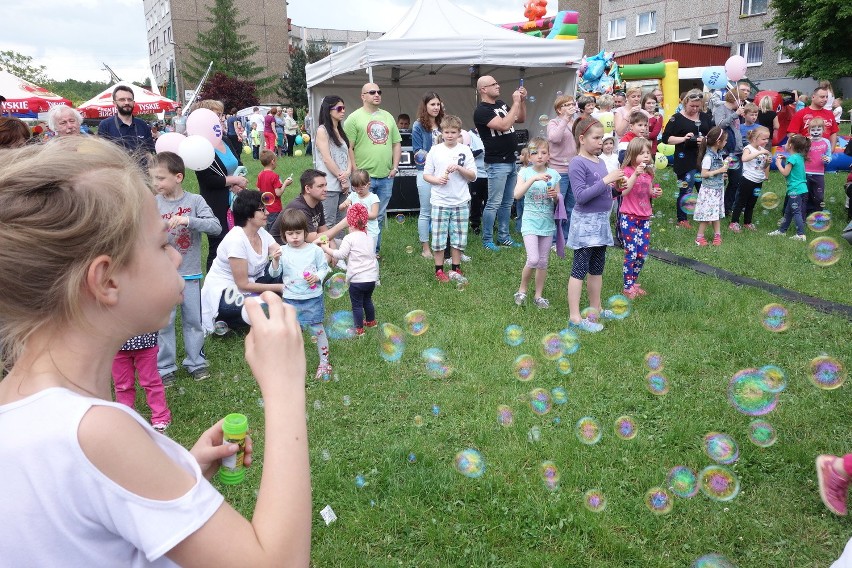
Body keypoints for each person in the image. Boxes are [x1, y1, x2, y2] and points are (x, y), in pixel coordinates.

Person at [0, 137, 311, 565]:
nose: (174, 254)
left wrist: (180, 466)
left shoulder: (22, 404)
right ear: (107, 281)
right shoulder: (98, 433)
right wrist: (285, 390)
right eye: (163, 243)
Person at [152, 151, 221, 385]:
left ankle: (196, 362)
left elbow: (215, 227)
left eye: (161, 178)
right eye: (154, 179)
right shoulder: (153, 204)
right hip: (163, 277)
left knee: (193, 320)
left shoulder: (195, 202)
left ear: (178, 177)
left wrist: (189, 221)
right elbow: (142, 236)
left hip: (190, 274)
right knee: (165, 323)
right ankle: (165, 367)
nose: (156, 183)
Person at [567, 117, 625, 332]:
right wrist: (606, 180)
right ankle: (574, 317)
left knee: (597, 268)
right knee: (579, 268)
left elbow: (605, 193)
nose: (601, 142)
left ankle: (595, 309)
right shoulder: (577, 163)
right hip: (585, 224)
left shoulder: (600, 162)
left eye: (603, 137)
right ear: (582, 139)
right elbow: (581, 196)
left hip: (600, 221)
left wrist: (617, 188)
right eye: (597, 138)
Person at [200, 189, 284, 333]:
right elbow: (243, 285)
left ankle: (264, 307)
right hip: (227, 293)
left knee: (285, 271)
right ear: (248, 214)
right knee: (257, 307)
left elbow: (283, 253)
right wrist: (281, 287)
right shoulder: (236, 240)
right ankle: (252, 313)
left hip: (253, 284)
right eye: (262, 210)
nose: (267, 213)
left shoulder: (261, 232)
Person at [271, 208, 332, 379]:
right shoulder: (282, 252)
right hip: (291, 300)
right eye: (290, 234)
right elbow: (275, 274)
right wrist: (275, 261)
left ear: (306, 232)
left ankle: (324, 363)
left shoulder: (315, 250)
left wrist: (317, 277)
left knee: (318, 330)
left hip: (312, 298)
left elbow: (324, 268)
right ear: (284, 235)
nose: (295, 237)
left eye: (298, 233)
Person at [343, 83, 402, 254]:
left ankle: (373, 251)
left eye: (379, 92)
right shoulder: (354, 118)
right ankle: (357, 250)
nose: (377, 94)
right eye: (372, 92)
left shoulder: (388, 116)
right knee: (358, 216)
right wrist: (355, 171)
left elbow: (396, 143)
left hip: (385, 176)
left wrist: (395, 167)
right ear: (363, 96)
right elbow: (349, 147)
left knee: (379, 216)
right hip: (363, 179)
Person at [192, 99, 247, 271]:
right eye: (217, 115)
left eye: (221, 114)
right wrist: (233, 181)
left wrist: (239, 180)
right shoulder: (200, 147)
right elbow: (208, 180)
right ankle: (213, 288)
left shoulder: (225, 140)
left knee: (238, 242)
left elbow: (238, 163)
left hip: (235, 198)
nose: (222, 118)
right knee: (219, 245)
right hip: (216, 202)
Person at [474, 75, 527, 251]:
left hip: (511, 160)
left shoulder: (501, 104)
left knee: (507, 202)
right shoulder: (481, 111)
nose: (498, 86)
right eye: (493, 84)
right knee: (493, 203)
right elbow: (504, 125)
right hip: (497, 162)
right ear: (483, 89)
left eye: (498, 82)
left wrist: (522, 101)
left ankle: (504, 237)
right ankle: (487, 239)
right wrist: (515, 102)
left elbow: (519, 119)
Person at [422, 114, 476, 282]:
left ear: (459, 133)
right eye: (447, 132)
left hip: (460, 200)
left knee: (458, 236)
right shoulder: (435, 150)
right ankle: (439, 270)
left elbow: (473, 176)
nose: (450, 135)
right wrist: (437, 180)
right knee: (438, 237)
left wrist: (460, 168)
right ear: (441, 132)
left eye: (453, 132)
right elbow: (426, 175)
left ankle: (456, 267)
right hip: (440, 201)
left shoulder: (465, 150)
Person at [512, 137, 559, 309]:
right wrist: (533, 179)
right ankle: (522, 290)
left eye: (543, 153)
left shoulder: (554, 174)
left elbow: (558, 201)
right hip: (530, 222)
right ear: (528, 156)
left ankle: (538, 296)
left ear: (548, 156)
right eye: (535, 153)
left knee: (543, 261)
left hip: (547, 223)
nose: (539, 156)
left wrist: (555, 197)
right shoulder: (524, 173)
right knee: (533, 259)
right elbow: (517, 195)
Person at [320, 204, 378, 337]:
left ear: (349, 223)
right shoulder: (369, 237)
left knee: (357, 305)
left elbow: (341, 255)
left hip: (357, 280)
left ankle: (359, 329)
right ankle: (371, 321)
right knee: (368, 300)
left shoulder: (349, 238)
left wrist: (326, 248)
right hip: (370, 279)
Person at [662, 89, 713, 228]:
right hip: (685, 160)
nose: (695, 109)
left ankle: (705, 215)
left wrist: (705, 140)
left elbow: (714, 134)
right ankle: (682, 219)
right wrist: (684, 139)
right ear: (685, 102)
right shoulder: (676, 118)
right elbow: (666, 138)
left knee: (705, 188)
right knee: (686, 189)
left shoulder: (705, 117)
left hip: (703, 159)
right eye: (692, 106)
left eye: (698, 106)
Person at [619, 138, 660, 298]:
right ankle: (627, 286)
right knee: (631, 253)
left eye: (648, 153)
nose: (646, 156)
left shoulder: (649, 173)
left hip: (644, 218)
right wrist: (635, 174)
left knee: (642, 254)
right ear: (633, 153)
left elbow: (648, 192)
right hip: (629, 217)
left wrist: (654, 193)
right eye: (642, 153)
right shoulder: (627, 171)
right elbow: (624, 191)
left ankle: (633, 281)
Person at [274, 169, 349, 257]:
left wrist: (332, 247)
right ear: (308, 189)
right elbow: (313, 238)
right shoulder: (299, 208)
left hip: (303, 244)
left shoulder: (317, 203)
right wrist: (343, 223)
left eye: (325, 185)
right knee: (325, 255)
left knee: (346, 244)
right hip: (285, 249)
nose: (326, 189)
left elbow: (324, 231)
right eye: (320, 186)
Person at [112, 332, 172, 432]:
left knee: (151, 382)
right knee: (122, 385)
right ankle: (127, 415)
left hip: (145, 342)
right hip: (117, 344)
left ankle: (160, 416)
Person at [412, 91, 445, 258]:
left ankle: (443, 246)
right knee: (426, 211)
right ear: (425, 106)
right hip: (425, 173)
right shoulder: (418, 126)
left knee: (443, 210)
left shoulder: (444, 124)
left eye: (438, 104)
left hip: (444, 174)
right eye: (432, 104)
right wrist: (435, 155)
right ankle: (426, 248)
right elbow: (417, 152)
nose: (436, 107)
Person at [315, 95, 354, 229]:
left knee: (342, 222)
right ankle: (327, 250)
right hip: (330, 184)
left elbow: (348, 155)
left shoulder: (341, 131)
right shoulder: (322, 130)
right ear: (329, 110)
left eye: (344, 108)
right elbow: (327, 158)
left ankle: (340, 249)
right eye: (339, 108)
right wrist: (342, 178)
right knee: (329, 222)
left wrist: (348, 173)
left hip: (343, 183)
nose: (343, 111)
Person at [768, 135, 810, 241]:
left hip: (795, 189)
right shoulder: (799, 156)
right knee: (788, 211)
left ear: (790, 146)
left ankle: (801, 234)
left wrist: (778, 164)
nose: (784, 144)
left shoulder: (792, 158)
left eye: (786, 143)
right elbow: (794, 164)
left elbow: (785, 173)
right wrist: (785, 159)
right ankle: (782, 231)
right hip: (801, 189)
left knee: (796, 212)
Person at [730, 127, 771, 232]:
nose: (766, 141)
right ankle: (734, 222)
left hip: (758, 180)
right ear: (754, 139)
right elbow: (744, 159)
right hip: (747, 180)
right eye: (763, 139)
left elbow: (763, 167)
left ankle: (747, 222)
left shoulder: (763, 150)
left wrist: (767, 162)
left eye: (767, 139)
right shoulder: (748, 148)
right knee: (740, 201)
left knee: (751, 203)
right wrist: (758, 153)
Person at [547, 96, 578, 237]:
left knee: (571, 206)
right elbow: (555, 138)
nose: (570, 106)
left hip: (574, 169)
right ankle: (554, 239)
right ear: (559, 109)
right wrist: (565, 119)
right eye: (566, 105)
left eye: (572, 104)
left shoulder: (576, 122)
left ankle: (566, 237)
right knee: (557, 206)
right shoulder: (553, 122)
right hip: (559, 170)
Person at [711, 91, 745, 217]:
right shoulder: (721, 108)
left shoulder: (736, 112)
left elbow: (736, 131)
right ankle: (717, 208)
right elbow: (719, 125)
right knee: (721, 181)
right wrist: (735, 115)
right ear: (735, 99)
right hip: (725, 151)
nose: (741, 103)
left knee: (735, 181)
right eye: (741, 100)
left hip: (737, 151)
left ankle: (727, 207)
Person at [97, 85, 155, 157]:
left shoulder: (142, 125)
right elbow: (101, 153)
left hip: (142, 168)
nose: (126, 102)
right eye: (122, 100)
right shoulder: (105, 125)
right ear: (115, 103)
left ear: (133, 103)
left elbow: (150, 151)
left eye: (129, 99)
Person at [694, 127, 728, 247]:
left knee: (716, 214)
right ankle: (699, 237)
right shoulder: (708, 157)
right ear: (718, 142)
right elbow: (704, 174)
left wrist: (722, 175)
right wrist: (719, 170)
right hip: (709, 191)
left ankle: (717, 235)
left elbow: (715, 172)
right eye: (725, 141)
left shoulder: (718, 154)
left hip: (717, 189)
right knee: (706, 216)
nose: (726, 143)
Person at [339, 169, 380, 247]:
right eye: (355, 188)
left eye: (361, 188)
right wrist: (344, 205)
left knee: (369, 252)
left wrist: (358, 214)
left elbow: (374, 214)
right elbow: (340, 208)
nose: (358, 191)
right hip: (355, 231)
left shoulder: (373, 198)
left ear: (368, 184)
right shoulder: (353, 195)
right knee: (356, 251)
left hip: (370, 232)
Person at [256, 150, 293, 234]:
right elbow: (278, 193)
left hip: (265, 208)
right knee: (275, 231)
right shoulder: (274, 176)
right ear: (272, 161)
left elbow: (258, 190)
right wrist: (285, 184)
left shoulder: (260, 174)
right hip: (275, 209)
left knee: (267, 229)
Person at [803, 117, 833, 216]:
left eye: (818, 129)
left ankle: (817, 212)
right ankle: (805, 212)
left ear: (823, 130)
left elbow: (829, 155)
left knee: (819, 196)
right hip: (805, 172)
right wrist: (806, 143)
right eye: (813, 130)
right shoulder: (806, 141)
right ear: (809, 130)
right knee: (805, 194)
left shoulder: (826, 142)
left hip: (819, 173)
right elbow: (800, 153)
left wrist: (828, 159)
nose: (816, 132)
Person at [467, 127, 488, 235]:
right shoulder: (469, 135)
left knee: (489, 201)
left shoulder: (491, 133)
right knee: (476, 201)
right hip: (476, 174)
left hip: (490, 173)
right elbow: (467, 153)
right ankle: (475, 225)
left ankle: (489, 225)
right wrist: (481, 150)